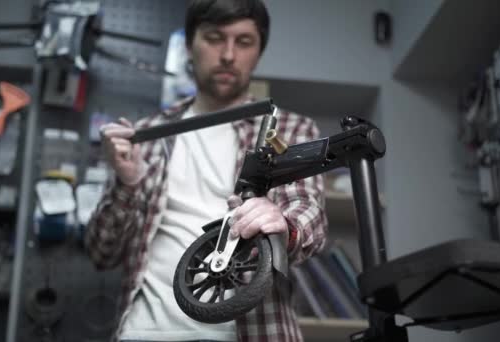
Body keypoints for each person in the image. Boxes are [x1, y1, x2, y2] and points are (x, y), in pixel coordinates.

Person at [85, 0, 327, 341]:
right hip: (146, 332)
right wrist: (127, 184)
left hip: (252, 331)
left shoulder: (288, 129)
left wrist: (283, 226)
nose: (228, 55)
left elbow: (307, 211)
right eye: (214, 38)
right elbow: (100, 253)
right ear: (189, 44)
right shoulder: (147, 134)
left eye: (244, 42)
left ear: (258, 51)